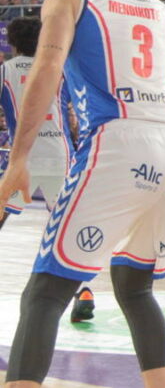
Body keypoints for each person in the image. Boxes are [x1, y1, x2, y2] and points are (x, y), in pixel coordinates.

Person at [0, 0, 165, 387]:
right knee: (135, 288)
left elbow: (46, 70)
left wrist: (18, 159)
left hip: (117, 139)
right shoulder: (162, 10)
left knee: (45, 291)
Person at [0, 18, 90, 321]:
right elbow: (78, 111)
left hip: (24, 158)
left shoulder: (6, 71)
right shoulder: (60, 70)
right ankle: (85, 292)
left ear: (13, 43)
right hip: (61, 155)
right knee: (67, 228)